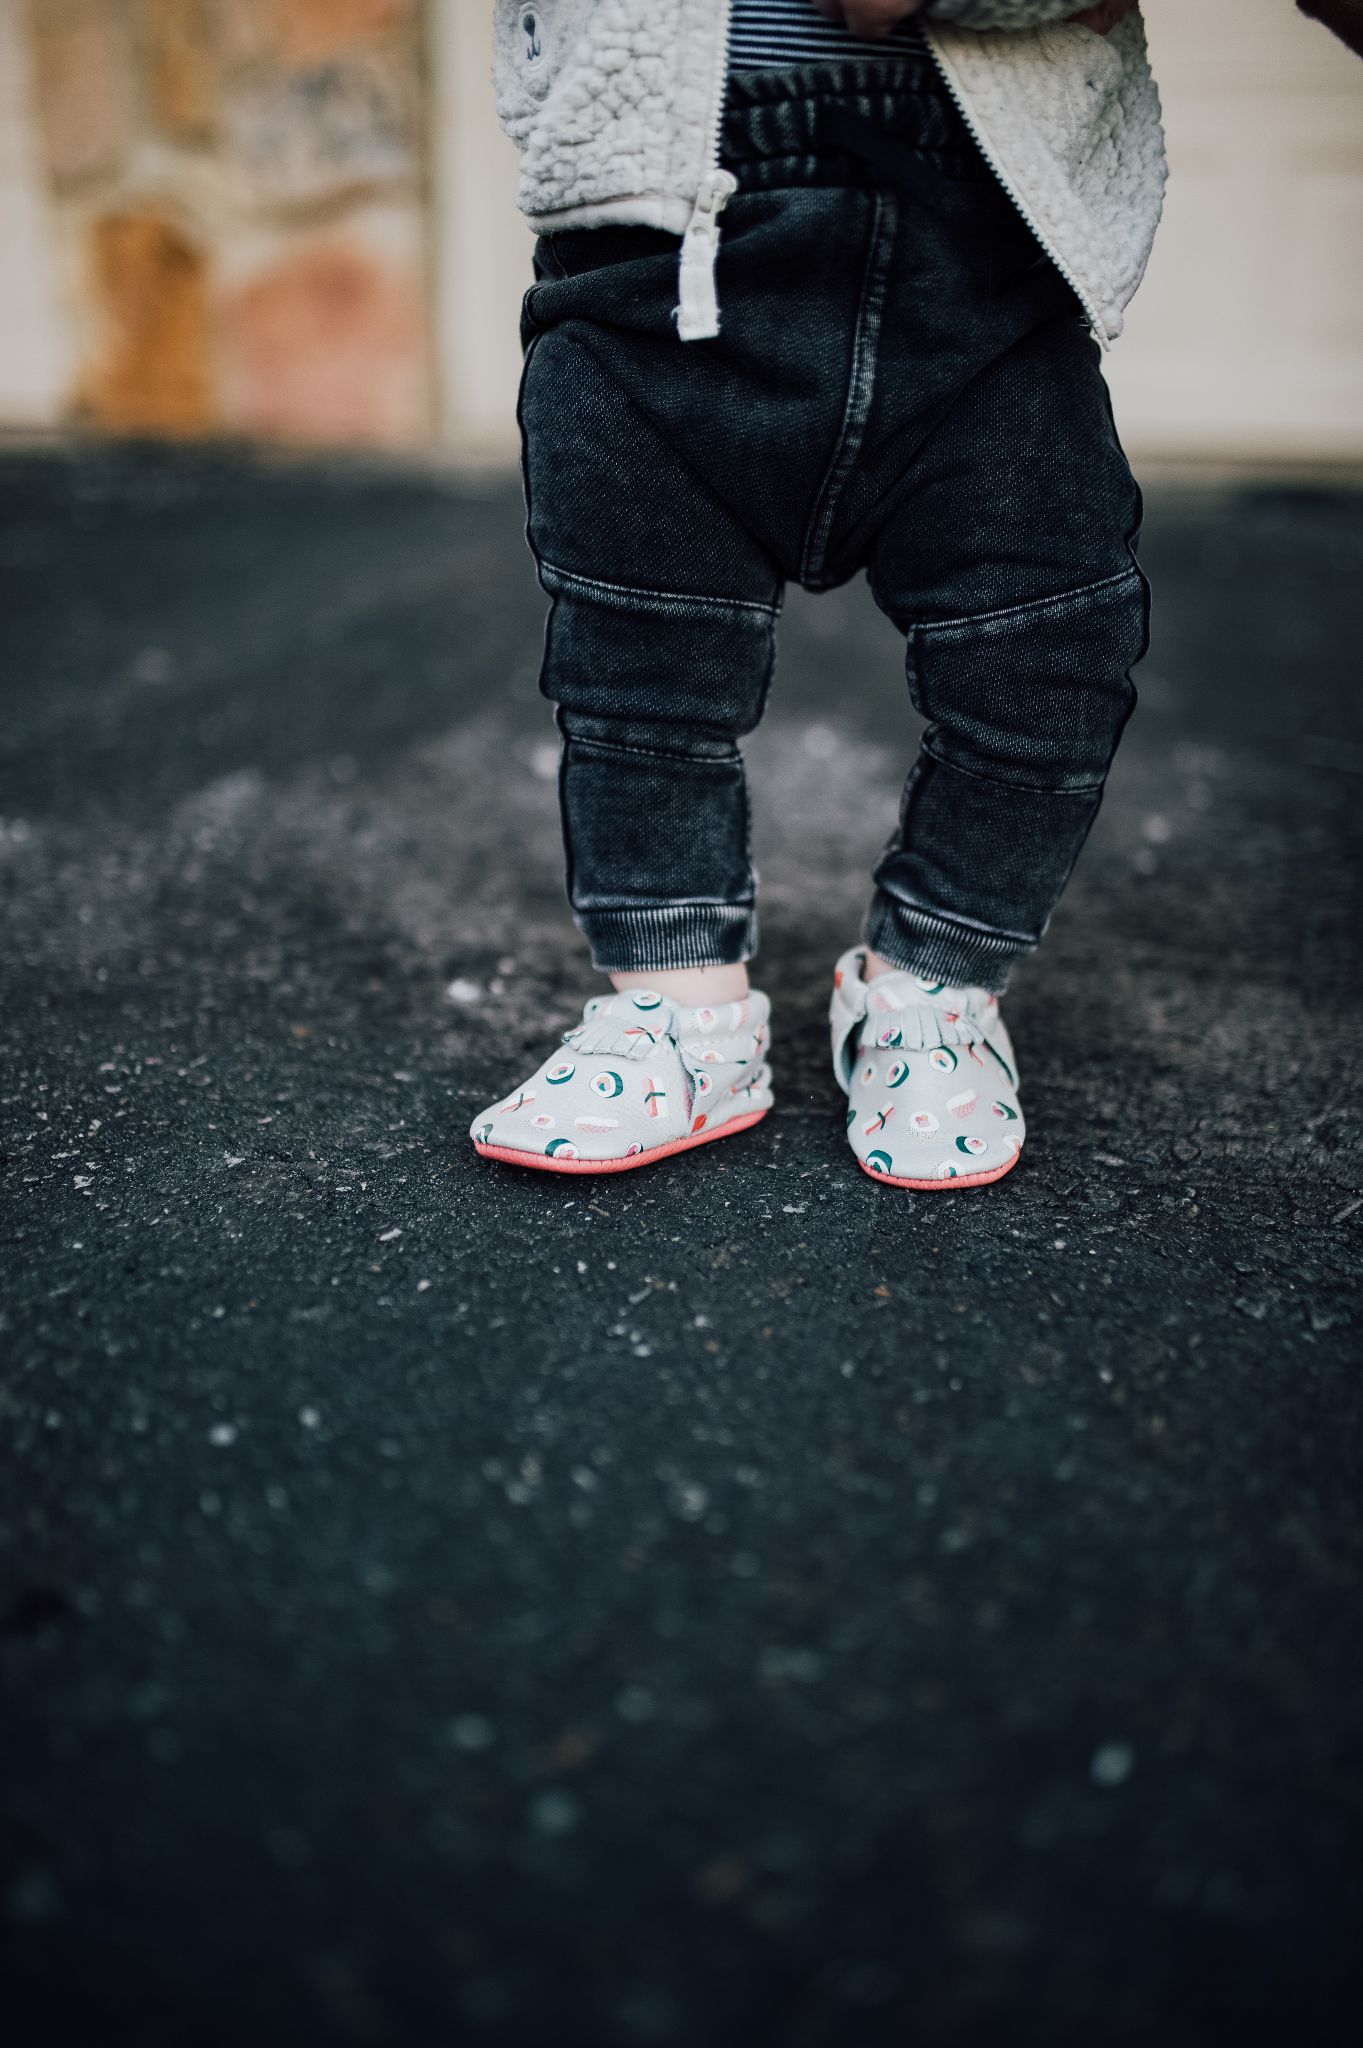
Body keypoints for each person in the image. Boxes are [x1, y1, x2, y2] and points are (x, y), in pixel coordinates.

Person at [470, 0, 1164, 1188]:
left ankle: (933, 983)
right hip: (655, 230)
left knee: (1045, 651)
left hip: (988, 238)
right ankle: (680, 1014)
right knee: (639, 671)